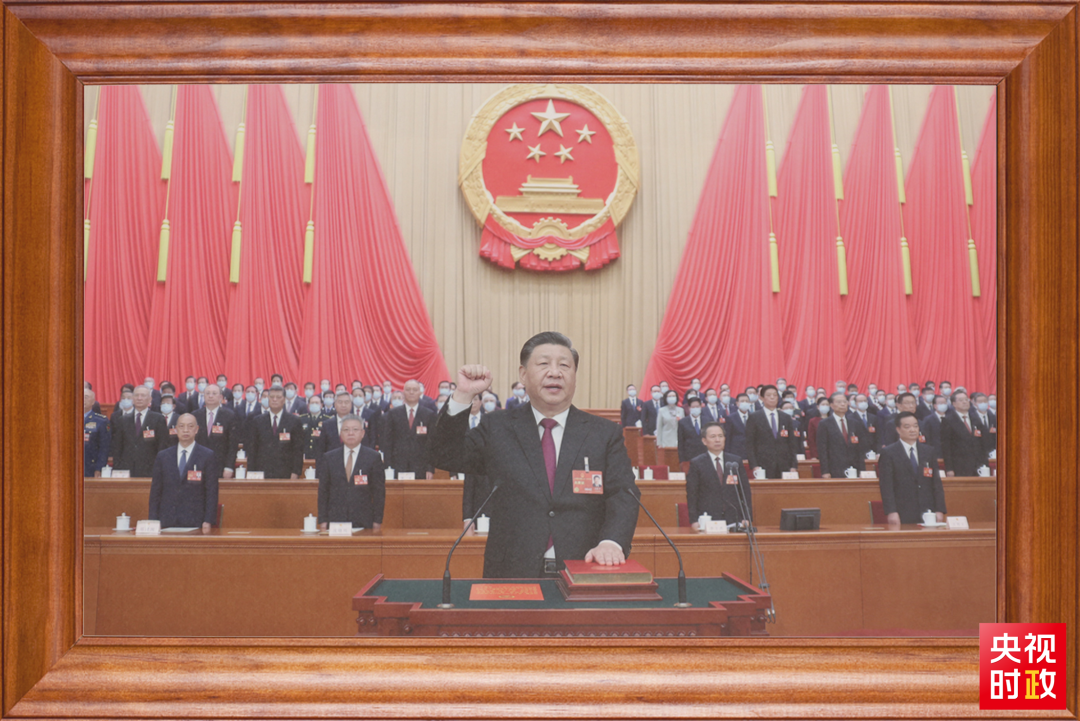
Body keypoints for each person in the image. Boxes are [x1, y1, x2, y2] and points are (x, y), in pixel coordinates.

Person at [429, 331, 640, 578]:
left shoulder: (603, 433)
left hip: (583, 568)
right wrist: (463, 395)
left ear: (575, 376)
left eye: (564, 365)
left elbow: (623, 494)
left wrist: (611, 542)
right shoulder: (497, 427)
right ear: (523, 374)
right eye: (543, 364)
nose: (555, 372)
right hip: (511, 571)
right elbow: (444, 455)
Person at [148, 413, 219, 533]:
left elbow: (212, 491)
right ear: (176, 429)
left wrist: (208, 520)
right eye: (181, 426)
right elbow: (155, 491)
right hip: (167, 519)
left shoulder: (207, 456)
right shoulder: (163, 456)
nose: (186, 430)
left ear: (196, 429)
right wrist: (153, 519)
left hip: (195, 519)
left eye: (190, 426)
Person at [316, 415, 385, 531]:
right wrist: (322, 520)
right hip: (335, 519)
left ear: (362, 433)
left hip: (364, 520)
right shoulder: (329, 458)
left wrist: (377, 521)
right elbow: (323, 492)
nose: (351, 433)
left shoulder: (373, 457)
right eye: (346, 430)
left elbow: (379, 493)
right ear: (341, 433)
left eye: (355, 429)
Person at [877, 412, 946, 525]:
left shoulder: (929, 451)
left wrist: (940, 509)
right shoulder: (888, 453)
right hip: (902, 510)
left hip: (928, 510)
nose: (913, 430)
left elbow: (936, 483)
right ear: (898, 430)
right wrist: (891, 511)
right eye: (907, 427)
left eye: (915, 426)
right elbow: (886, 486)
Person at [686, 422, 752, 529]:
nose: (717, 440)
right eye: (713, 437)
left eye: (720, 436)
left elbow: (745, 492)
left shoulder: (735, 462)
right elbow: (692, 495)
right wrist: (694, 520)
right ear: (704, 441)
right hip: (708, 518)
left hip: (734, 518)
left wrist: (747, 517)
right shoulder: (697, 463)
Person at [380, 380, 436, 479]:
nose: (411, 392)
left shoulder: (428, 414)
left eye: (415, 390)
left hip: (421, 467)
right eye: (408, 389)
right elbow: (387, 442)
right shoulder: (393, 414)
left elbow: (431, 443)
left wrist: (430, 468)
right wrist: (388, 467)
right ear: (403, 392)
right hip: (397, 465)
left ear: (420, 392)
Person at [246, 387, 304, 479]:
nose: (274, 399)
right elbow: (252, 449)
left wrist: (296, 472)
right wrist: (251, 472)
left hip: (286, 471)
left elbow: (298, 450)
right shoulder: (258, 421)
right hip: (262, 471)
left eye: (278, 397)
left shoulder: (294, 421)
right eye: (272, 397)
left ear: (284, 400)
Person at [110, 385, 167, 477]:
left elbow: (162, 446)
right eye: (136, 395)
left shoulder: (158, 419)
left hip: (150, 468)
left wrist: (159, 467)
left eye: (143, 395)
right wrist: (117, 467)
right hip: (126, 468)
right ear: (133, 398)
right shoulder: (123, 420)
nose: (139, 398)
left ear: (150, 399)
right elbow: (117, 447)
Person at [746, 385, 798, 478]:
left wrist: (793, 465)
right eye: (769, 395)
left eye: (775, 395)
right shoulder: (754, 417)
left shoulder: (785, 417)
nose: (772, 397)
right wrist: (754, 465)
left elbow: (792, 443)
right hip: (763, 464)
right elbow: (749, 444)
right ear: (762, 398)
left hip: (784, 464)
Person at [816, 393, 867, 478]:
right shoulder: (824, 424)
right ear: (831, 405)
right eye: (839, 402)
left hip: (854, 468)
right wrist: (825, 471)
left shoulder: (855, 423)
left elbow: (860, 449)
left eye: (844, 402)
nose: (843, 404)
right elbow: (822, 450)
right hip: (834, 468)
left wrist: (862, 470)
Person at [940, 390, 990, 477]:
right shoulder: (948, 421)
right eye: (961, 400)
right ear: (954, 404)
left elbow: (983, 443)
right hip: (960, 466)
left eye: (966, 399)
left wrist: (985, 463)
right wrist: (949, 469)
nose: (964, 402)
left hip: (979, 465)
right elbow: (946, 447)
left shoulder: (975, 418)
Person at [192, 383, 237, 478]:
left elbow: (232, 444)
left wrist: (229, 467)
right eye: (207, 393)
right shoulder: (195, 415)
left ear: (220, 397)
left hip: (220, 464)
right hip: (198, 464)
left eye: (214, 393)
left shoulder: (229, 415)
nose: (210, 396)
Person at [316, 392, 357, 457]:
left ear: (351, 405)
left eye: (346, 402)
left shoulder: (358, 424)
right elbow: (320, 450)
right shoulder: (327, 425)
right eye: (340, 402)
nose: (343, 405)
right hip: (332, 461)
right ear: (335, 405)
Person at [83, 388, 110, 477]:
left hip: (91, 466)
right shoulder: (66, 418)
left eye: (86, 397)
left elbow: (104, 447)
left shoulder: (101, 421)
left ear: (93, 401)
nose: (83, 399)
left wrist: (99, 468)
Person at [677, 397, 707, 466]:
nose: (695, 409)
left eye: (697, 407)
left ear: (701, 407)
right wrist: (682, 460)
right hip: (689, 456)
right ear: (689, 408)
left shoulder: (707, 420)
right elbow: (680, 442)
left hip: (705, 455)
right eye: (693, 407)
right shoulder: (683, 422)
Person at [299, 396, 326, 461]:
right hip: (306, 455)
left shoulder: (327, 419)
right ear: (308, 405)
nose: (314, 405)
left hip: (322, 455)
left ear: (321, 405)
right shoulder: (301, 419)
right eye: (312, 403)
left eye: (316, 403)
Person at [970, 392, 997, 457]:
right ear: (975, 403)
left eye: (985, 401)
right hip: (977, 452)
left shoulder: (994, 417)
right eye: (980, 402)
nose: (983, 403)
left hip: (992, 451)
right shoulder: (971, 418)